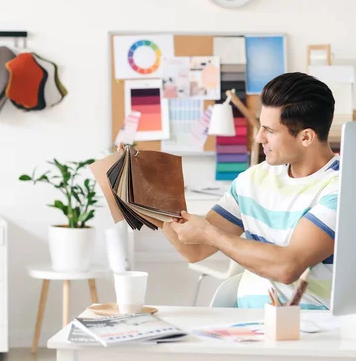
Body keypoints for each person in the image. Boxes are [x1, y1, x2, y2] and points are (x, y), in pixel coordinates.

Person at [120, 72, 339, 309]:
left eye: (270, 130)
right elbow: (195, 249)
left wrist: (210, 233)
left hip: (310, 329)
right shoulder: (253, 180)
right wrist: (148, 198)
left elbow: (287, 267)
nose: (258, 137)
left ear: (306, 137)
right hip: (243, 327)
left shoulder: (340, 189)